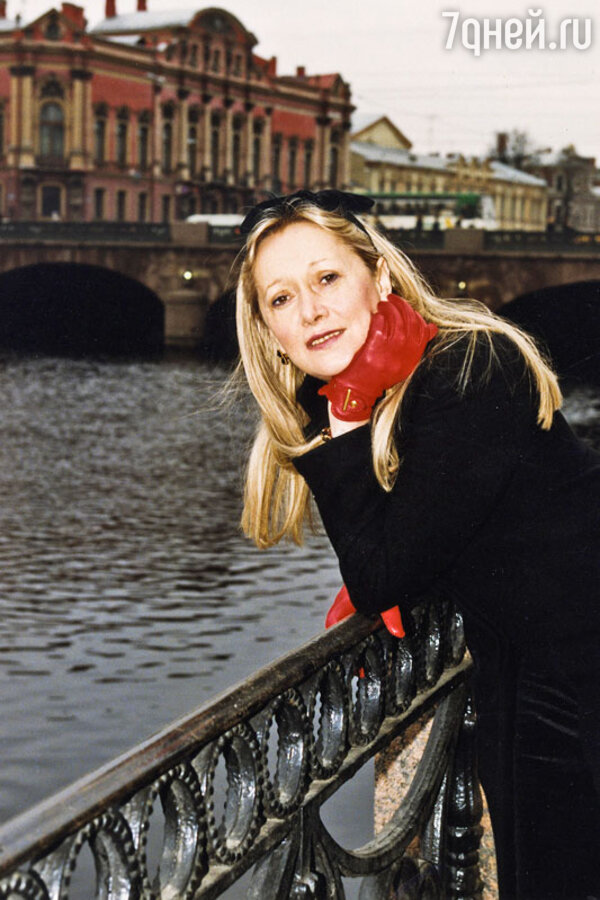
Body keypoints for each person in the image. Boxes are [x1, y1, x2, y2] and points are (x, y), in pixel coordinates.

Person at [233, 189, 600, 899]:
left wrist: (346, 418)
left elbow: (381, 571)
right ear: (267, 330)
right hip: (529, 680)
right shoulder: (362, 393)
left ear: (381, 278)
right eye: (280, 298)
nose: (309, 310)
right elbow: (414, 546)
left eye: (327, 278)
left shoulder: (472, 366)